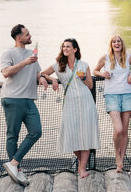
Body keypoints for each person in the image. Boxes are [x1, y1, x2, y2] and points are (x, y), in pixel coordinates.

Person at [41, 38, 99, 178]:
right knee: (71, 133)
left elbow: (90, 86)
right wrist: (52, 79)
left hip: (86, 101)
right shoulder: (58, 65)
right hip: (70, 103)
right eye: (63, 47)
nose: (65, 49)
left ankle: (82, 168)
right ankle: (80, 163)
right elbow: (42, 73)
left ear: (75, 49)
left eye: (68, 46)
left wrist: (84, 77)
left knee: (86, 133)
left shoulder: (84, 64)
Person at [0, 24, 49, 186]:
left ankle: (13, 164)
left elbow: (38, 72)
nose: (30, 36)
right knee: (12, 135)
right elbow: (6, 72)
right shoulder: (9, 53)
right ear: (19, 38)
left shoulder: (32, 53)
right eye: (27, 34)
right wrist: (25, 62)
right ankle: (17, 170)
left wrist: (41, 77)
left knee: (36, 131)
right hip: (12, 99)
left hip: (29, 100)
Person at [92, 35, 131, 172]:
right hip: (111, 95)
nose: (116, 43)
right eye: (114, 41)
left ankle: (121, 160)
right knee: (118, 129)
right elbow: (95, 71)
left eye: (118, 41)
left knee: (125, 131)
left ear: (122, 43)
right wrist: (103, 74)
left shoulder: (128, 56)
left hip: (127, 95)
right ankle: (116, 154)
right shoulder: (106, 58)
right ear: (111, 44)